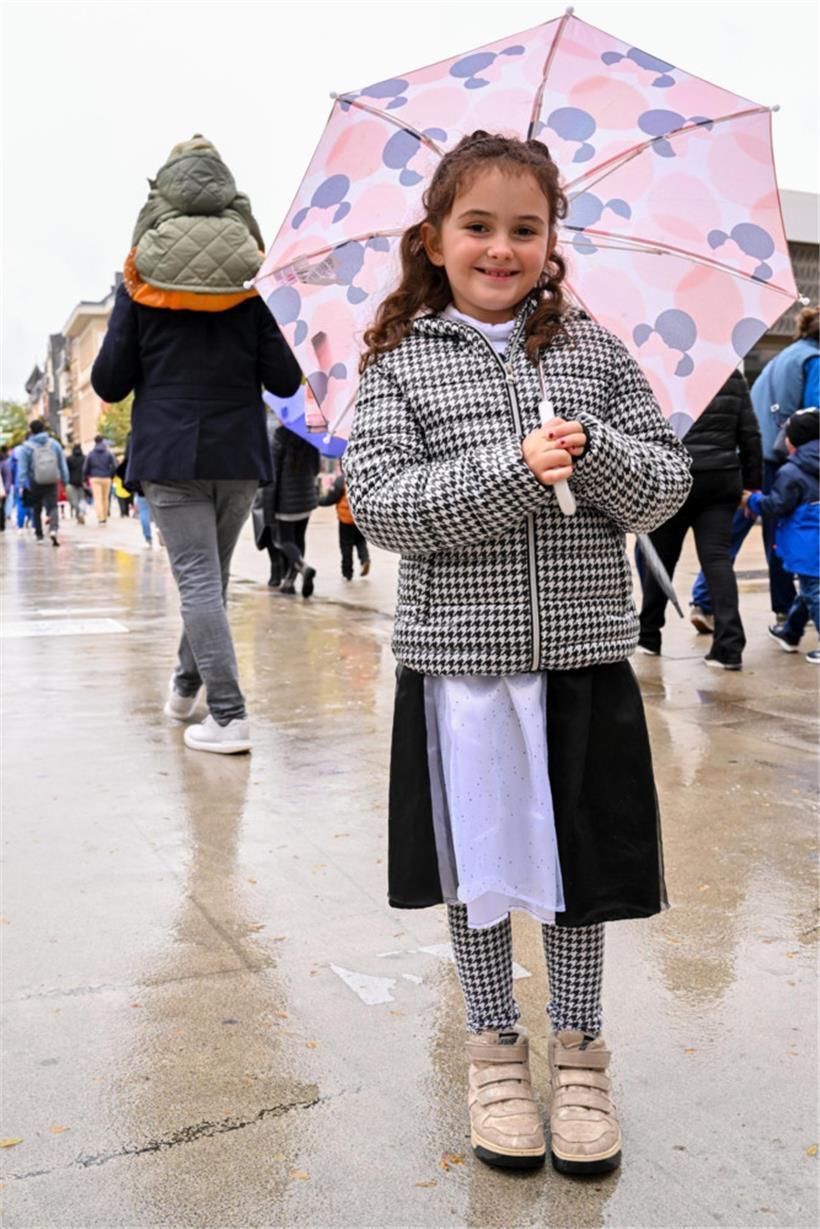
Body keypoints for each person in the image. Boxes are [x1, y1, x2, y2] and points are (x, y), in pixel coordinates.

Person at [343, 131, 691, 1175]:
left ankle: (578, 1049)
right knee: (483, 867)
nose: (502, 248)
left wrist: (594, 447)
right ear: (436, 239)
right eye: (478, 226)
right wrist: (514, 468)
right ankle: (492, 1042)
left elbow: (665, 481)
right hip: (464, 669)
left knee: (580, 868)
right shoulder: (399, 365)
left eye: (524, 228)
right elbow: (387, 505)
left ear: (552, 239)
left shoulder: (594, 354)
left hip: (583, 654)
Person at [91, 134, 301, 755]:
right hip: (238, 454)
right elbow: (284, 380)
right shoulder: (255, 273)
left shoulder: (139, 274)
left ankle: (230, 715)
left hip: (171, 452)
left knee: (198, 582)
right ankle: (186, 687)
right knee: (209, 578)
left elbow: (109, 380)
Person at [638, 368, 761, 669]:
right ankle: (729, 646)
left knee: (662, 557)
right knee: (717, 560)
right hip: (721, 478)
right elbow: (750, 432)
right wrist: (753, 484)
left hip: (674, 477)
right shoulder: (730, 373)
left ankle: (649, 635)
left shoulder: (662, 371)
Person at [747, 306, 819, 620]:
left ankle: (706, 600)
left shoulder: (782, 357)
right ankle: (789, 609)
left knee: (768, 531)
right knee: (796, 532)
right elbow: (816, 415)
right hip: (794, 460)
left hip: (763, 454)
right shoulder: (814, 360)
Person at [743, 409, 819, 663]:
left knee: (813, 591)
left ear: (794, 440)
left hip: (808, 546)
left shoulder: (791, 471)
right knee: (808, 591)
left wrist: (752, 500)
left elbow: (776, 505)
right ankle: (790, 632)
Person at [261, 424, 318, 596]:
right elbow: (315, 469)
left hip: (285, 503)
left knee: (284, 541)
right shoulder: (310, 438)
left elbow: (272, 477)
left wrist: (268, 510)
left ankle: (302, 566)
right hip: (306, 501)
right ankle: (289, 583)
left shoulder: (278, 439)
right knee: (299, 540)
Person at [17, 420, 69, 546]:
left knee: (36, 508)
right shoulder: (54, 444)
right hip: (52, 480)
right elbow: (62, 465)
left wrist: (22, 484)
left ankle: (39, 535)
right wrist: (65, 481)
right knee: (53, 506)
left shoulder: (26, 447)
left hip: (35, 481)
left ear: (32, 431)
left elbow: (22, 468)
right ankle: (53, 530)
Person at [319, 472, 371, 581]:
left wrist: (318, 501)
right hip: (360, 518)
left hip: (346, 520)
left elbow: (331, 498)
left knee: (346, 546)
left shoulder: (342, 480)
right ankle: (365, 559)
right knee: (361, 541)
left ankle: (347, 573)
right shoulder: (363, 478)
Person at [83, 434, 117, 524]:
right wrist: (111, 475)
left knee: (97, 498)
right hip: (106, 477)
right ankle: (105, 516)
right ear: (103, 441)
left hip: (95, 478)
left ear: (95, 442)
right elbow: (115, 466)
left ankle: (100, 517)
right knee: (105, 498)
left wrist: (86, 477)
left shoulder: (91, 454)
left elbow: (86, 468)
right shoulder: (108, 453)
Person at [65, 443, 86, 523]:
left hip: (72, 481)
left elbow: (66, 470)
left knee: (74, 500)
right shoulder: (84, 458)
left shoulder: (69, 459)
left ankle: (78, 513)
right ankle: (82, 512)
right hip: (82, 481)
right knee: (82, 499)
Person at [0, 445, 12, 531]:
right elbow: (8, 477)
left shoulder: (4, 463)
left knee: (1, 508)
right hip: (2, 490)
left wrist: (6, 490)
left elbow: (7, 478)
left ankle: (1, 525)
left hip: (2, 490)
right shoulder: (5, 463)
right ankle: (1, 526)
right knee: (1, 508)